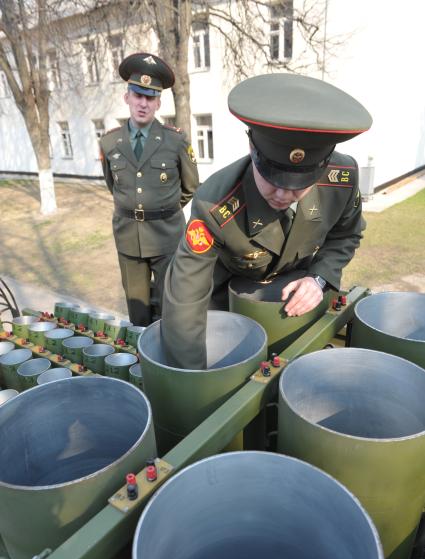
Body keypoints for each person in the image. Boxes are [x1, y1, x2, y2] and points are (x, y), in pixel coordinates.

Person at [161, 73, 372, 369]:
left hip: (291, 296)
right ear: (252, 150)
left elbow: (346, 235)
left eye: (301, 182)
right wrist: (193, 376)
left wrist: (319, 277)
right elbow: (186, 296)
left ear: (322, 167)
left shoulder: (343, 178)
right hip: (229, 304)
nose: (284, 193)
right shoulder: (215, 203)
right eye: (272, 177)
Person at [100, 52, 199, 326]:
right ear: (127, 97)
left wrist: (162, 209)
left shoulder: (176, 141)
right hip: (128, 238)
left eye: (150, 97)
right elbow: (114, 186)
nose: (142, 103)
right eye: (137, 95)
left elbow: (190, 187)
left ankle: (168, 361)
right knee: (138, 312)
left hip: (167, 236)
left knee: (171, 307)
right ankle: (140, 361)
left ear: (158, 103)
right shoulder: (109, 143)